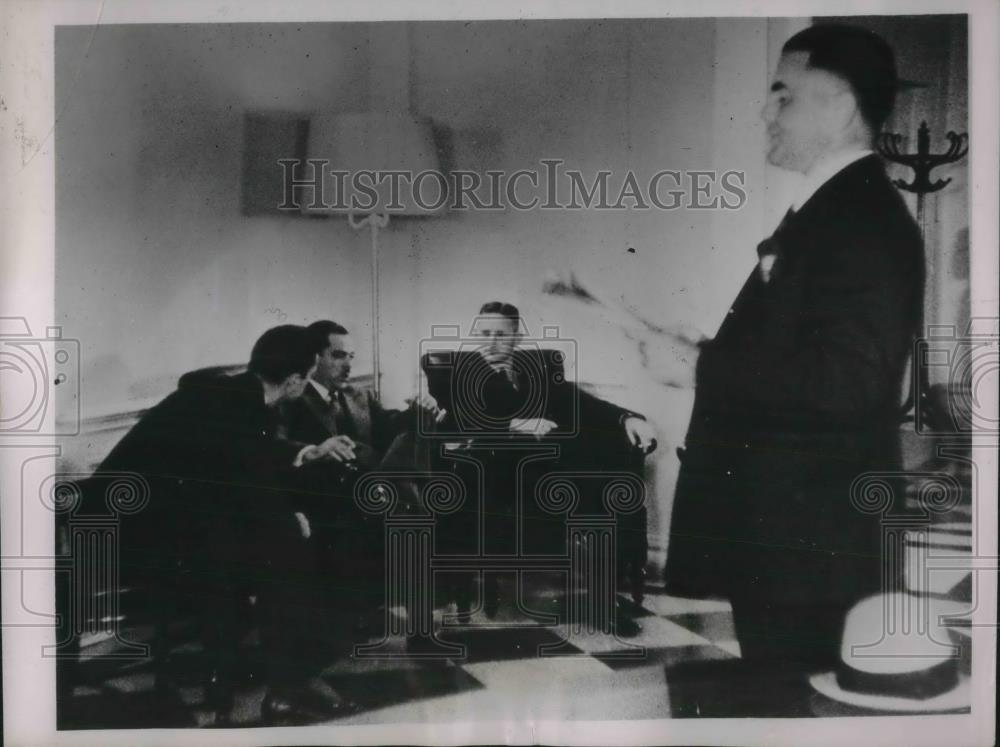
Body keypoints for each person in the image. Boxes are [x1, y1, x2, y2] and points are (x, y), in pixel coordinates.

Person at [664, 24, 925, 674]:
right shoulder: (831, 210)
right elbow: (801, 355)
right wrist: (700, 354)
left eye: (783, 95)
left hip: (811, 546)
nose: (765, 112)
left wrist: (702, 365)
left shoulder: (860, 220)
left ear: (839, 106)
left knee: (797, 701)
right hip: (791, 540)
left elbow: (848, 384)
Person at [97, 325, 357, 724]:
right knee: (289, 555)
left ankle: (239, 674)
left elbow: (247, 458)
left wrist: (306, 454)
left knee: (269, 546)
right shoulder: (241, 405)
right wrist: (289, 517)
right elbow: (247, 478)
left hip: (134, 521)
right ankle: (286, 686)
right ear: (294, 380)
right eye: (306, 378)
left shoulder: (231, 394)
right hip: (135, 537)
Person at [424, 301, 656, 630]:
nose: (491, 343)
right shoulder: (456, 375)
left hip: (549, 473)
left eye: (501, 335)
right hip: (497, 479)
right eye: (484, 334)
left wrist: (628, 418)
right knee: (592, 491)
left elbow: (583, 403)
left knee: (604, 483)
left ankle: (604, 599)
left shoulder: (536, 371)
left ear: (517, 337)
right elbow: (453, 423)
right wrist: (514, 424)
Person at [278, 320, 445, 631]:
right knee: (407, 499)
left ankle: (414, 609)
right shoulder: (292, 397)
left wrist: (422, 409)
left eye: (351, 356)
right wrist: (315, 449)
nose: (348, 365)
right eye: (339, 355)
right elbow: (277, 444)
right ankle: (418, 610)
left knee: (409, 458)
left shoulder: (359, 395)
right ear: (315, 358)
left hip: (371, 486)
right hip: (327, 492)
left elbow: (389, 428)